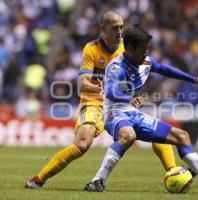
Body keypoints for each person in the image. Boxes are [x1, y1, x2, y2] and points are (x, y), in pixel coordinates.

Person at [25, 11, 178, 189]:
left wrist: (133, 96)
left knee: (155, 131)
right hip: (94, 102)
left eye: (122, 27)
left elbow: (138, 77)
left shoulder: (128, 48)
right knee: (82, 144)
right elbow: (84, 84)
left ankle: (173, 171)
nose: (120, 31)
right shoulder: (92, 49)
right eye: (115, 28)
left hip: (120, 105)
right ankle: (38, 179)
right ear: (103, 29)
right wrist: (109, 90)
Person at [84, 26, 198, 193]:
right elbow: (111, 91)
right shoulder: (116, 67)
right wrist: (129, 98)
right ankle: (97, 181)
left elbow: (165, 69)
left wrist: (193, 79)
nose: (146, 53)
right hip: (114, 112)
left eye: (147, 49)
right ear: (129, 48)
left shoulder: (145, 62)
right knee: (128, 135)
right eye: (143, 50)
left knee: (182, 136)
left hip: (132, 111)